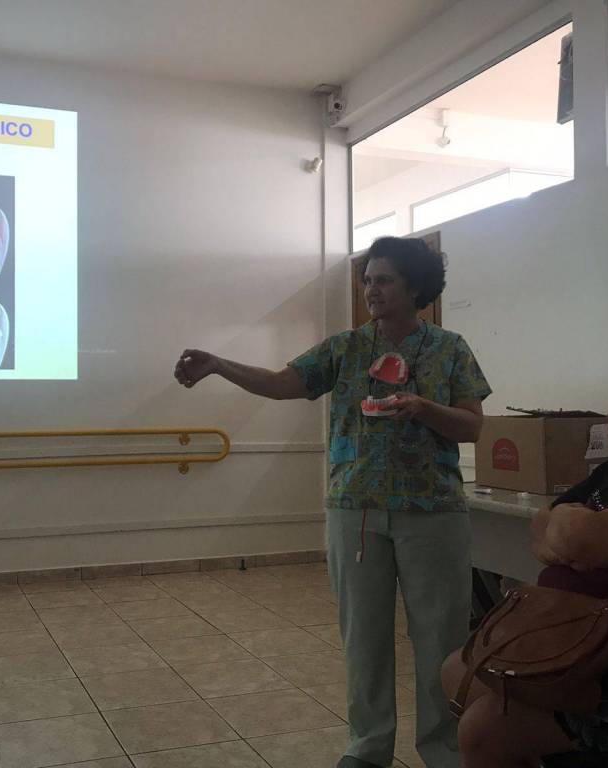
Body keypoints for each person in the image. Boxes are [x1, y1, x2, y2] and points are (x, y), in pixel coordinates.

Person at [175, 236, 491, 768]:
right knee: (363, 636)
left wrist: (423, 408)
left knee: (441, 637)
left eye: (383, 280)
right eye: (367, 280)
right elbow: (281, 383)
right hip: (355, 509)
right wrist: (219, 365)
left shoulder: (450, 348)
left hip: (433, 509)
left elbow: (472, 425)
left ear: (415, 286)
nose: (371, 289)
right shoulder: (344, 348)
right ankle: (368, 748)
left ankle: (443, 751)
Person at [442, 359, 608, 767]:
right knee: (458, 671)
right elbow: (543, 528)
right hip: (577, 644)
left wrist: (570, 528)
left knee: (484, 729)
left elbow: (574, 538)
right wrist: (568, 529)